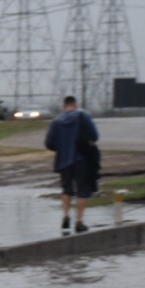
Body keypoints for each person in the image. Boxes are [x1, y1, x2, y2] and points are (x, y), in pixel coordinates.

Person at [45, 95, 100, 233]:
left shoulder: (56, 121)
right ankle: (79, 221)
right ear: (75, 105)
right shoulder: (83, 116)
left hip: (64, 160)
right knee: (82, 190)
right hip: (81, 158)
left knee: (66, 189)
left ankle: (66, 216)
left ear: (64, 107)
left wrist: (61, 148)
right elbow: (95, 136)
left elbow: (49, 143)